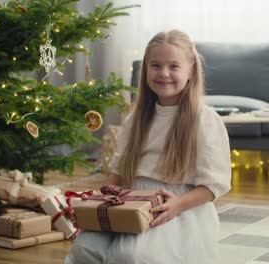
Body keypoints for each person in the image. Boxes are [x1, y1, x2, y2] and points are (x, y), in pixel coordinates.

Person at [65, 29, 231, 264]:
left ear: (191, 70)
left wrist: (177, 205)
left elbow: (214, 185)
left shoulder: (204, 120)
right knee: (85, 249)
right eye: (155, 66)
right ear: (145, 70)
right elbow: (118, 172)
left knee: (131, 256)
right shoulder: (137, 118)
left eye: (174, 66)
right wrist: (94, 205)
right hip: (130, 200)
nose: (164, 73)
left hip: (178, 204)